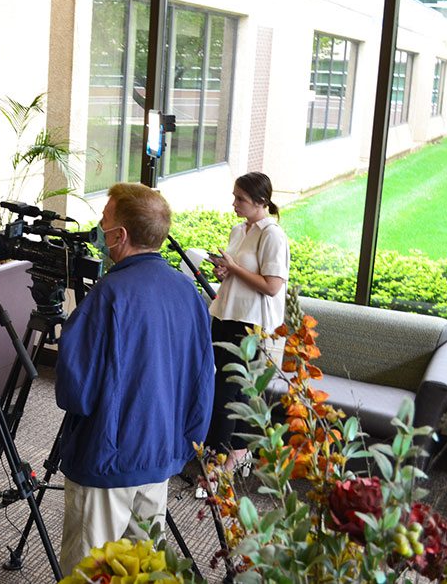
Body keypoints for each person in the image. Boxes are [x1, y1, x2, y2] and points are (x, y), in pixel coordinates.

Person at [56, 182, 214, 573]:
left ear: (120, 235)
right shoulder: (187, 290)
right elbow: (202, 378)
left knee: (89, 572)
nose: (100, 228)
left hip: (106, 460)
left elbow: (76, 391)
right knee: (143, 570)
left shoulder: (109, 294)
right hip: (159, 457)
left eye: (104, 221)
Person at [205, 171, 290, 474]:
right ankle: (235, 454)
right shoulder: (238, 230)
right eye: (234, 197)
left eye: (240, 199)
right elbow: (237, 273)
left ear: (261, 201)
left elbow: (272, 286)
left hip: (250, 325)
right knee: (225, 389)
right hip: (225, 314)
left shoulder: (272, 235)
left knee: (230, 393)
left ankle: (217, 463)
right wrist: (224, 272)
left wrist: (234, 268)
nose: (234, 203)